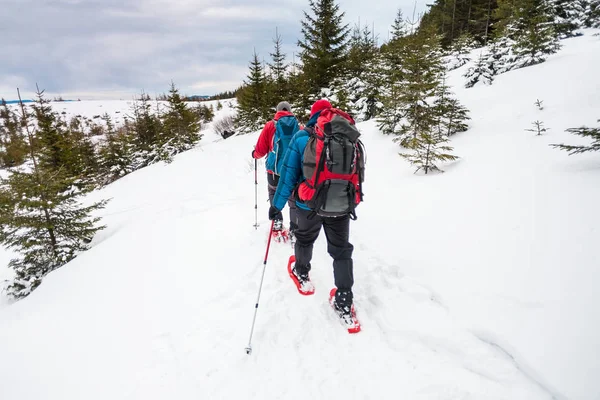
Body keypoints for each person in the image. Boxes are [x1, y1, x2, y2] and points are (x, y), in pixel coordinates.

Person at [268, 99, 363, 321]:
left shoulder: (302, 137)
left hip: (308, 203)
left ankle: (301, 272)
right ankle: (344, 301)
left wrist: (276, 206)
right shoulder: (350, 137)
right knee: (341, 251)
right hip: (340, 204)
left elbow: (288, 175)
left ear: (313, 115)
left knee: (305, 238)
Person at [252, 101, 301, 240]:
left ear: (277, 111)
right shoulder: (298, 126)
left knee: (274, 192)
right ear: (290, 110)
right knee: (293, 199)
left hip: (274, 172)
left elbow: (260, 151)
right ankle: (295, 227)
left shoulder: (270, 126)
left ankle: (277, 222)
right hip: (293, 171)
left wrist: (254, 154)